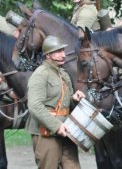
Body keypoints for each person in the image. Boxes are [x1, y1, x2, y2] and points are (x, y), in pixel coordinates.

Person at [25, 35, 85, 169]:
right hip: (46, 132)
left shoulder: (63, 74)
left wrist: (73, 99)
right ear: (47, 55)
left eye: (63, 51)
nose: (63, 54)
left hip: (66, 129)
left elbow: (65, 103)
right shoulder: (40, 74)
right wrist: (56, 126)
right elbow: (34, 106)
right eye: (58, 51)